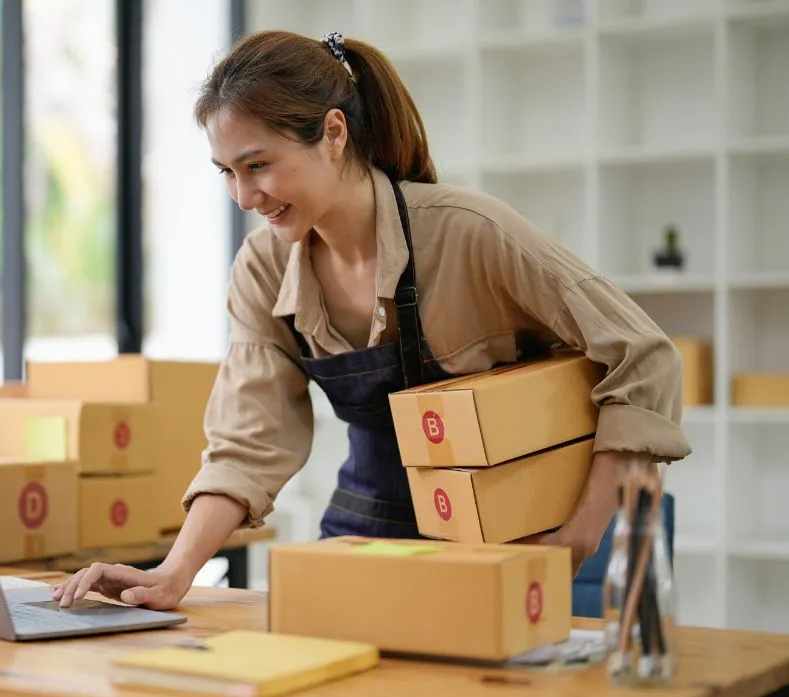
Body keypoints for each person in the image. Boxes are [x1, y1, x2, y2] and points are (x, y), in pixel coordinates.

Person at [53, 30, 691, 610]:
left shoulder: (468, 232)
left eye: (258, 165)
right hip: (371, 525)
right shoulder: (263, 268)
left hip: (530, 533)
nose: (244, 197)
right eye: (227, 172)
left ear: (333, 134)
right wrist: (173, 572)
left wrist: (577, 536)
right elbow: (251, 441)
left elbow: (645, 355)